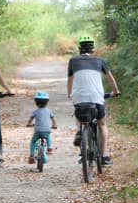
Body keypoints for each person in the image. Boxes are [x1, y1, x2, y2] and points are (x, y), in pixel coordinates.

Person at [67, 35, 119, 166]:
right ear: (93, 48)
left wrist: (70, 95)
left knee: (80, 117)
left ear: (80, 48)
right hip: (96, 98)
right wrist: (115, 92)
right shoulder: (100, 60)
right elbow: (111, 79)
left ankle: (80, 132)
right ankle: (103, 156)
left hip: (79, 98)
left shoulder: (73, 61)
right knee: (101, 124)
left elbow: (70, 80)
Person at [26, 91, 57, 164]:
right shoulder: (49, 111)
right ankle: (49, 148)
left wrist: (29, 124)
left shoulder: (35, 111)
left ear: (36, 103)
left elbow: (30, 119)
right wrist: (54, 125)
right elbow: (53, 119)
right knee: (48, 135)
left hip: (38, 131)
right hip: (47, 130)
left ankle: (31, 156)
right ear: (47, 102)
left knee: (33, 141)